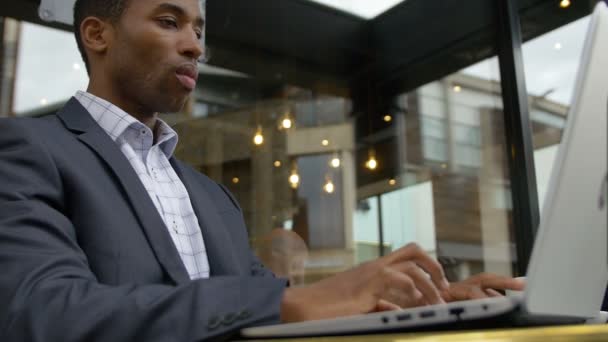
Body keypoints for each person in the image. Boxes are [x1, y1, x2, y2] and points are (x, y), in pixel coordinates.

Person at [0, 0, 524, 340]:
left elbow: (275, 307)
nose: (196, 45)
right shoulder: (27, 148)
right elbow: (43, 313)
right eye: (169, 21)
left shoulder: (213, 198)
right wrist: (319, 298)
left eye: (199, 28)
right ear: (97, 34)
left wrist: (424, 305)